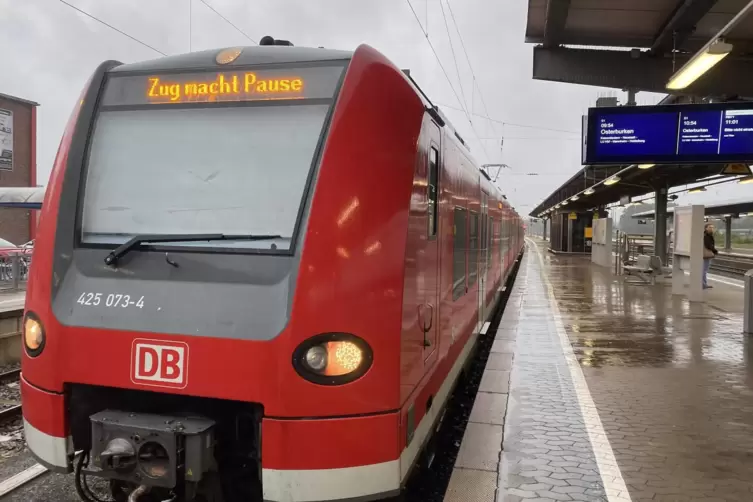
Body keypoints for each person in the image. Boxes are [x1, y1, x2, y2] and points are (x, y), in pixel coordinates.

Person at [703, 223, 718, 289]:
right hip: (706, 255)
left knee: (704, 270)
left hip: (705, 255)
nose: (711, 228)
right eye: (709, 227)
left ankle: (704, 283)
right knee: (704, 270)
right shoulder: (706, 236)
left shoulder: (707, 235)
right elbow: (708, 245)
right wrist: (715, 251)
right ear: (706, 228)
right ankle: (703, 284)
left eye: (712, 227)